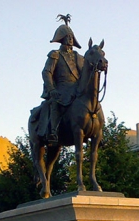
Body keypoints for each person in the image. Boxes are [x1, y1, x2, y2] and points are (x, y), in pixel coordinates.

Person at [41, 14, 84, 143]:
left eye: (71, 37)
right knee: (56, 103)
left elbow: (84, 74)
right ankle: (53, 131)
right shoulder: (55, 55)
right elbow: (46, 72)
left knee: (92, 103)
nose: (70, 39)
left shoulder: (78, 57)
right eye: (67, 37)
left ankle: (97, 130)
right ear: (61, 38)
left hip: (76, 88)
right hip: (61, 87)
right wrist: (51, 89)